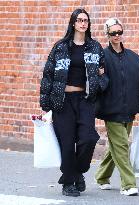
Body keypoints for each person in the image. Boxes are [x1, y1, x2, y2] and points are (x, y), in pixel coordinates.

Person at [40, 8, 108, 197]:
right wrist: (45, 103)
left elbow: (105, 76)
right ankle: (69, 182)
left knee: (89, 138)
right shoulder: (61, 47)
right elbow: (48, 75)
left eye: (85, 20)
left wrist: (99, 84)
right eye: (79, 20)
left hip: (85, 100)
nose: (83, 23)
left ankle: (77, 171)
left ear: (88, 24)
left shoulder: (95, 47)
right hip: (62, 101)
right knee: (67, 144)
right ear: (73, 23)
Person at [95, 18, 139, 196]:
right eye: (113, 33)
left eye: (119, 32)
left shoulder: (134, 58)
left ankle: (102, 176)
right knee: (122, 145)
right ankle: (129, 184)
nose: (117, 36)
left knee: (116, 146)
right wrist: (101, 75)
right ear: (107, 35)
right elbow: (98, 85)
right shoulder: (102, 57)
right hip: (111, 110)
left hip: (130, 110)